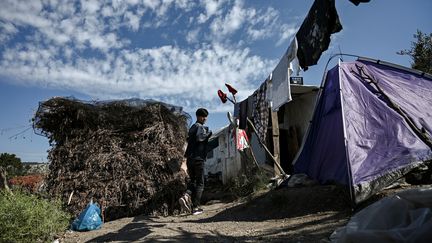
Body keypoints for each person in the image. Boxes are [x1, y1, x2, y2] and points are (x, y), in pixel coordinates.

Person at [179, 108, 212, 215]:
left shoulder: (192, 128)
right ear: (198, 116)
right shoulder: (199, 127)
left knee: (193, 182)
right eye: (203, 116)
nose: (205, 119)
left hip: (190, 160)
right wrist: (208, 134)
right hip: (198, 159)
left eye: (206, 116)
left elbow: (188, 143)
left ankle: (186, 196)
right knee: (200, 183)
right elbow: (200, 138)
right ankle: (196, 207)